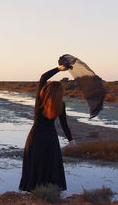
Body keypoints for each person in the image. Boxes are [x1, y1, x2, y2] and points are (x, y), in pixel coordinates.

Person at [19, 64, 76, 192]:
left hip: (36, 137)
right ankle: (49, 192)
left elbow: (43, 77)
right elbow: (64, 125)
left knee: (35, 164)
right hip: (50, 139)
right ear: (59, 93)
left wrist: (59, 69)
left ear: (47, 90)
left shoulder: (40, 100)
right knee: (49, 166)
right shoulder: (60, 105)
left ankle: (34, 192)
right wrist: (71, 141)